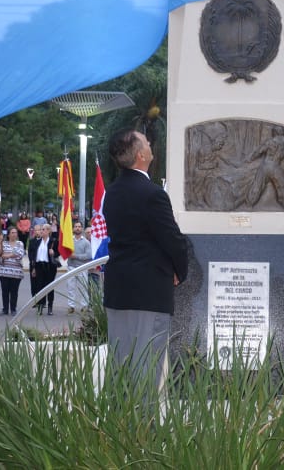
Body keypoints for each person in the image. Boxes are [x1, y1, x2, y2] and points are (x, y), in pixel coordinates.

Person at [102, 128, 189, 391]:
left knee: (121, 369)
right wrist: (179, 270)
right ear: (141, 155)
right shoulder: (152, 195)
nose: (151, 144)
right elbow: (172, 239)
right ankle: (143, 431)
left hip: (118, 291)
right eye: (147, 142)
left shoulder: (113, 192)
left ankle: (119, 427)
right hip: (148, 293)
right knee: (145, 372)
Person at [28, 223, 60, 315]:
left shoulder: (53, 241)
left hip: (49, 267)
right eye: (41, 229)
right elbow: (34, 256)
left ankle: (50, 307)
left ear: (49, 231)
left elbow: (58, 252)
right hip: (39, 266)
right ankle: (40, 306)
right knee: (39, 287)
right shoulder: (37, 242)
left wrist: (53, 253)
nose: (41, 231)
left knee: (49, 287)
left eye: (43, 229)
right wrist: (33, 268)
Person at [0, 227, 26, 315]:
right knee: (5, 291)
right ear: (8, 234)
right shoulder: (4, 243)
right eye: (12, 232)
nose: (14, 234)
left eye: (15, 232)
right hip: (4, 272)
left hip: (16, 272)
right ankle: (5, 309)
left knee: (14, 292)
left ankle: (13, 309)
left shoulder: (20, 243)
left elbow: (19, 254)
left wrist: (7, 256)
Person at [66, 223, 93, 314]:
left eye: (79, 227)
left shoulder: (86, 242)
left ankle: (84, 305)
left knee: (83, 288)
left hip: (82, 267)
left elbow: (88, 255)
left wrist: (76, 256)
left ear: (82, 229)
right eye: (76, 226)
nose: (77, 228)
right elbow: (66, 252)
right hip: (71, 266)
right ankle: (71, 306)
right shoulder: (69, 241)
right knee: (70, 287)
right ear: (73, 228)